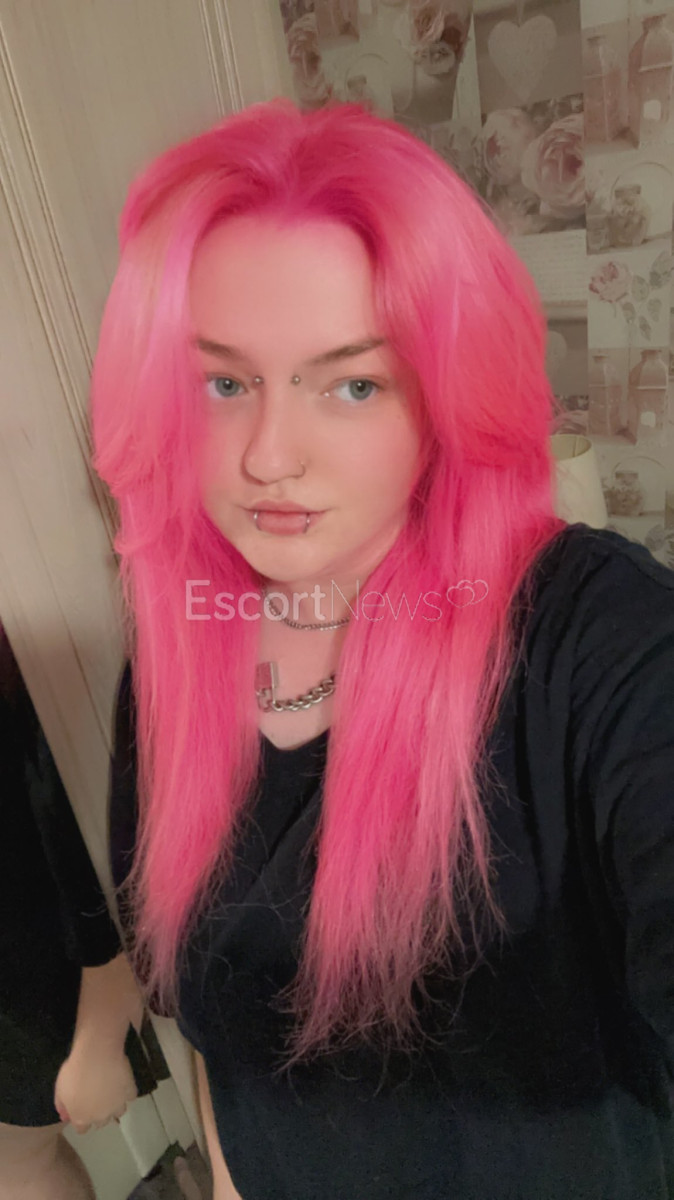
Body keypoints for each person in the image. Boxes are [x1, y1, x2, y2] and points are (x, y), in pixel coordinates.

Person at [91, 97, 674, 1200]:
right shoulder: (173, 665)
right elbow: (225, 1043)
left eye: (352, 384)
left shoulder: (596, 639)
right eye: (223, 383)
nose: (270, 457)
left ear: (446, 395)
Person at [0, 626, 149, 1199]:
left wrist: (105, 1009)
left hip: (46, 966)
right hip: (42, 965)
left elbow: (61, 776)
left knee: (16, 1166)